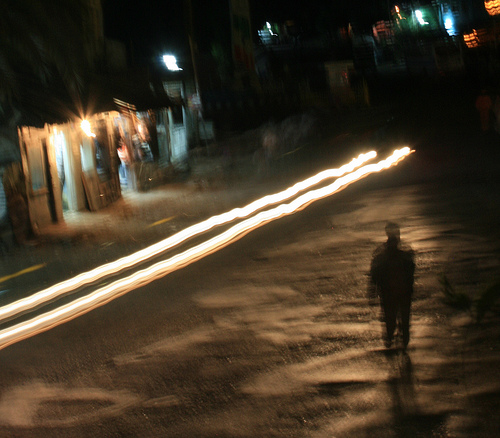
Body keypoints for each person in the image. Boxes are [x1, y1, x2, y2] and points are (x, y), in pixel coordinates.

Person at [369, 222, 415, 349]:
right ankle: (400, 340)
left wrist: (373, 292)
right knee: (402, 321)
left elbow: (374, 275)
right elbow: (411, 273)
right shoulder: (406, 254)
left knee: (391, 320)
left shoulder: (380, 255)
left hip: (390, 293)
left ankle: (392, 339)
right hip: (401, 293)